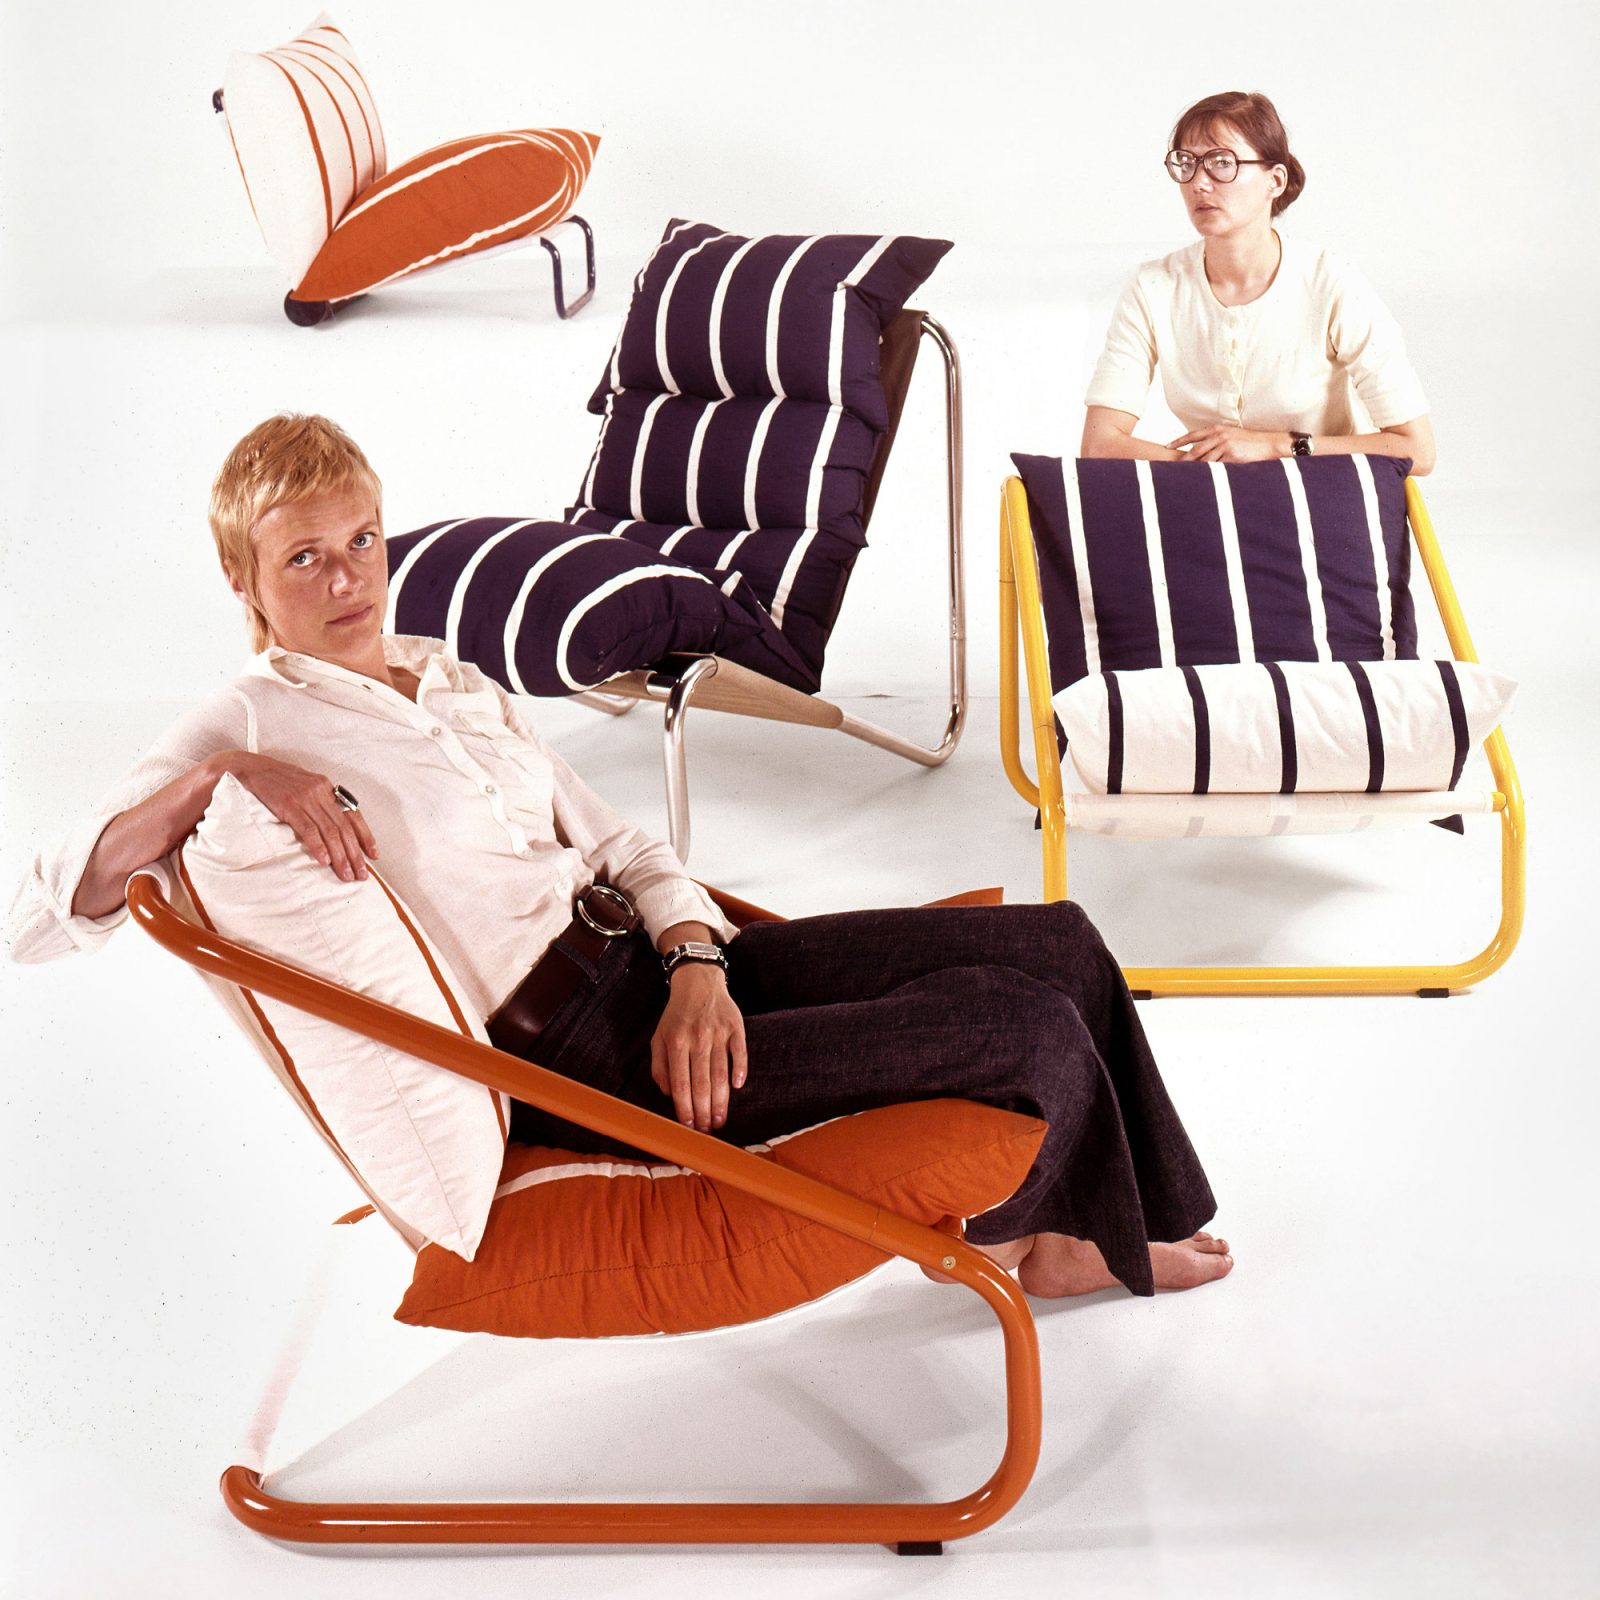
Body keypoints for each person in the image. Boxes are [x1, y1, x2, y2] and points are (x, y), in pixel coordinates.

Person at [7, 414, 1231, 1300]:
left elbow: (619, 840)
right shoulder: (247, 719)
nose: (348, 577)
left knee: (1057, 944)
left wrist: (700, 958)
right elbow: (36, 905)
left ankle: (1066, 1225)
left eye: (364, 539)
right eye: (304, 558)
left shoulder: (447, 674)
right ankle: (1065, 1245)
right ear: (244, 579)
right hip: (586, 1058)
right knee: (1020, 1028)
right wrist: (221, 778)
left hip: (661, 964)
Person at [1082, 90, 1435, 474]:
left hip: (1323, 500)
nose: (1199, 183)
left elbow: (1416, 449)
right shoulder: (1154, 286)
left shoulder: (1331, 283)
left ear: (1275, 180)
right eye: (1186, 163)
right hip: (1212, 503)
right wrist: (1212, 468)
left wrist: (1277, 447)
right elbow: (1100, 443)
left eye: (1222, 162)